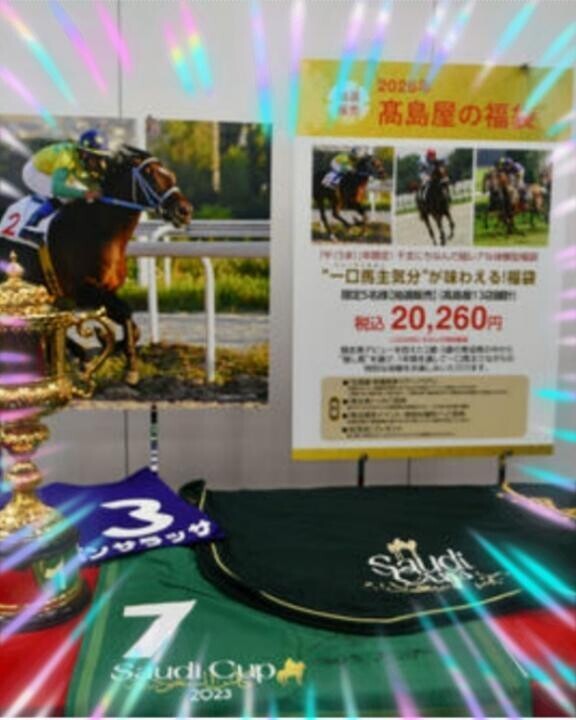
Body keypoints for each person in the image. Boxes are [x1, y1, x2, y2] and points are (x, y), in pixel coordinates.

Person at [22, 129, 112, 228]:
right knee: (67, 196)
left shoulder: (81, 157)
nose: (100, 162)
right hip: (35, 173)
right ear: (85, 154)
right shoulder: (66, 158)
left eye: (102, 157)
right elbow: (58, 189)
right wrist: (86, 194)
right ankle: (31, 223)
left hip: (53, 170)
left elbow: (91, 183)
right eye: (97, 157)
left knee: (80, 192)